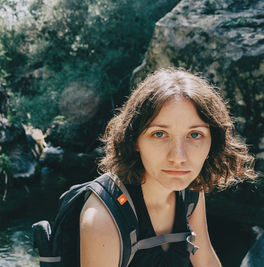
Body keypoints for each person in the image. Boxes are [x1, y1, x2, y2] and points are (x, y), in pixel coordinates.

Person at [79, 68, 256, 267]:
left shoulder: (190, 191)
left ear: (212, 142)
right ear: (134, 139)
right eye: (160, 134)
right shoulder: (102, 219)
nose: (178, 157)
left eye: (195, 135)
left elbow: (205, 259)